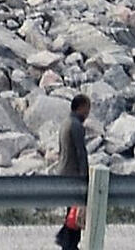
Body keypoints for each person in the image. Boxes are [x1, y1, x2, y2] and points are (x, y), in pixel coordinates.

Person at [54, 93, 93, 250]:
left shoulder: (65, 123)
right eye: (87, 109)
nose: (88, 113)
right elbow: (80, 153)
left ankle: (67, 242)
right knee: (76, 213)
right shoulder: (76, 125)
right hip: (73, 175)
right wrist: (85, 177)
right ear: (81, 107)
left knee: (72, 212)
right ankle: (67, 242)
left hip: (63, 172)